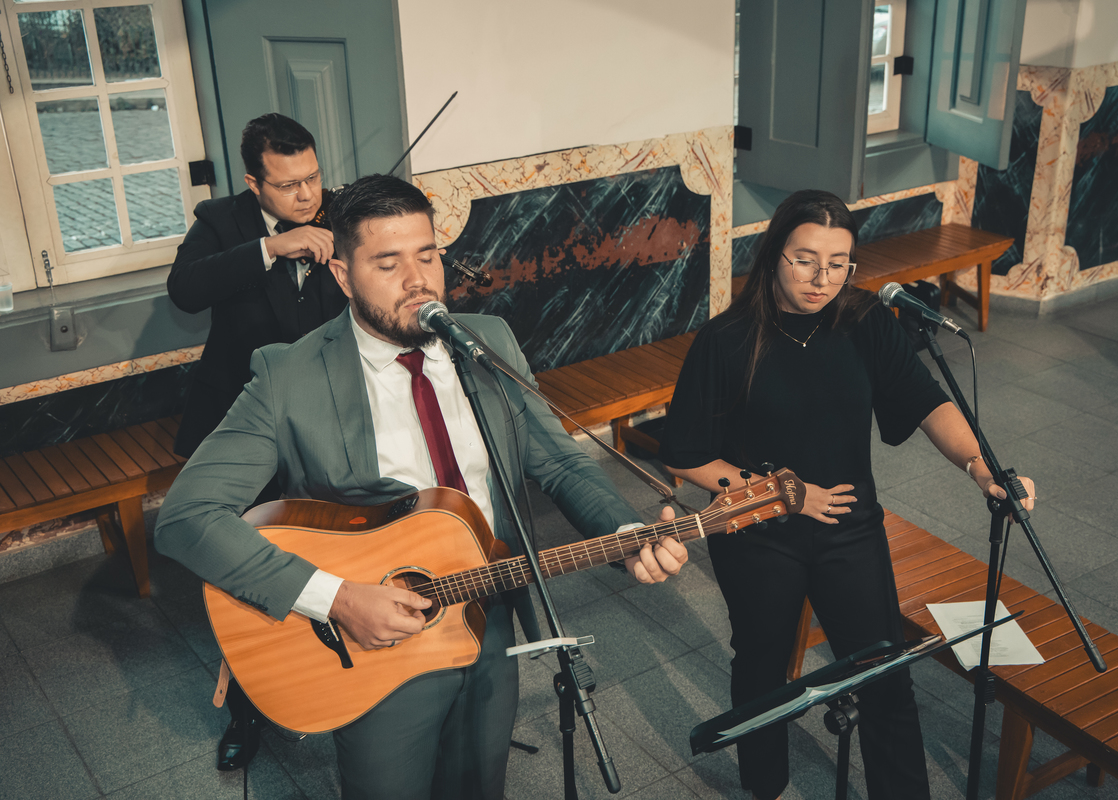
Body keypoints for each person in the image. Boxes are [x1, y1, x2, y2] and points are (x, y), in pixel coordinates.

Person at [155, 174, 688, 800]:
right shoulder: (288, 375)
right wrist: (336, 599)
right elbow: (187, 516)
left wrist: (625, 530)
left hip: (487, 611)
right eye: (388, 264)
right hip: (371, 641)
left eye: (427, 256)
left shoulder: (488, 341)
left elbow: (560, 462)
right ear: (343, 276)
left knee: (479, 787)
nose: (418, 281)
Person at [659, 190, 1035, 800]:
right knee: (761, 666)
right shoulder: (726, 339)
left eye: (838, 264)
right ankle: (766, 787)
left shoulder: (865, 323)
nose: (821, 279)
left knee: (884, 670)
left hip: (850, 529)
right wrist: (786, 495)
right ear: (774, 254)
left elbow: (927, 400)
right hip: (757, 533)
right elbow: (685, 453)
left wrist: (980, 466)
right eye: (805, 260)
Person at [167, 113, 348, 769]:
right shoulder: (222, 221)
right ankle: (247, 707)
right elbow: (185, 290)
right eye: (288, 185)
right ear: (254, 184)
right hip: (245, 422)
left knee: (334, 553)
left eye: (313, 177)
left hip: (327, 418)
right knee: (250, 568)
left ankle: (339, 682)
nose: (307, 195)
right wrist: (273, 247)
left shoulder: (341, 210)